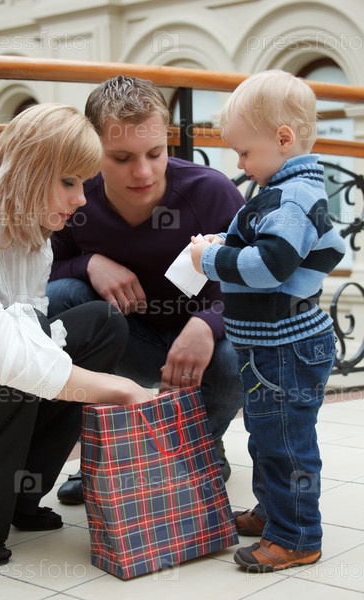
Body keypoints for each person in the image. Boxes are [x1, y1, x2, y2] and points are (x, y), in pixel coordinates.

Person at [0, 103, 152, 569]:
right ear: (29, 171)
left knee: (101, 325)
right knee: (10, 357)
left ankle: (20, 494)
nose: (82, 199)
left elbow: (33, 332)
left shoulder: (34, 236)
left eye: (83, 183)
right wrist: (115, 388)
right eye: (69, 182)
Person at [46, 75, 245, 504]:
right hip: (127, 341)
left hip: (206, 350)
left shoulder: (212, 192)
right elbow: (42, 276)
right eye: (121, 158)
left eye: (155, 153)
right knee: (63, 296)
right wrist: (88, 263)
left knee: (238, 354)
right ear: (94, 147)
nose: (143, 172)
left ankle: (199, 448)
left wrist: (208, 323)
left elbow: (259, 280)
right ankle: (103, 453)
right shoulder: (77, 197)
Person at [191, 70, 346, 572]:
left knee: (285, 444)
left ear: (283, 139)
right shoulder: (289, 191)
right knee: (267, 435)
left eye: (244, 152)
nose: (239, 164)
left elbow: (269, 266)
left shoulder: (290, 196)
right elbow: (330, 246)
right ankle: (274, 513)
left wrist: (211, 260)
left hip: (285, 348)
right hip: (273, 345)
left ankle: (296, 537)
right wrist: (232, 243)